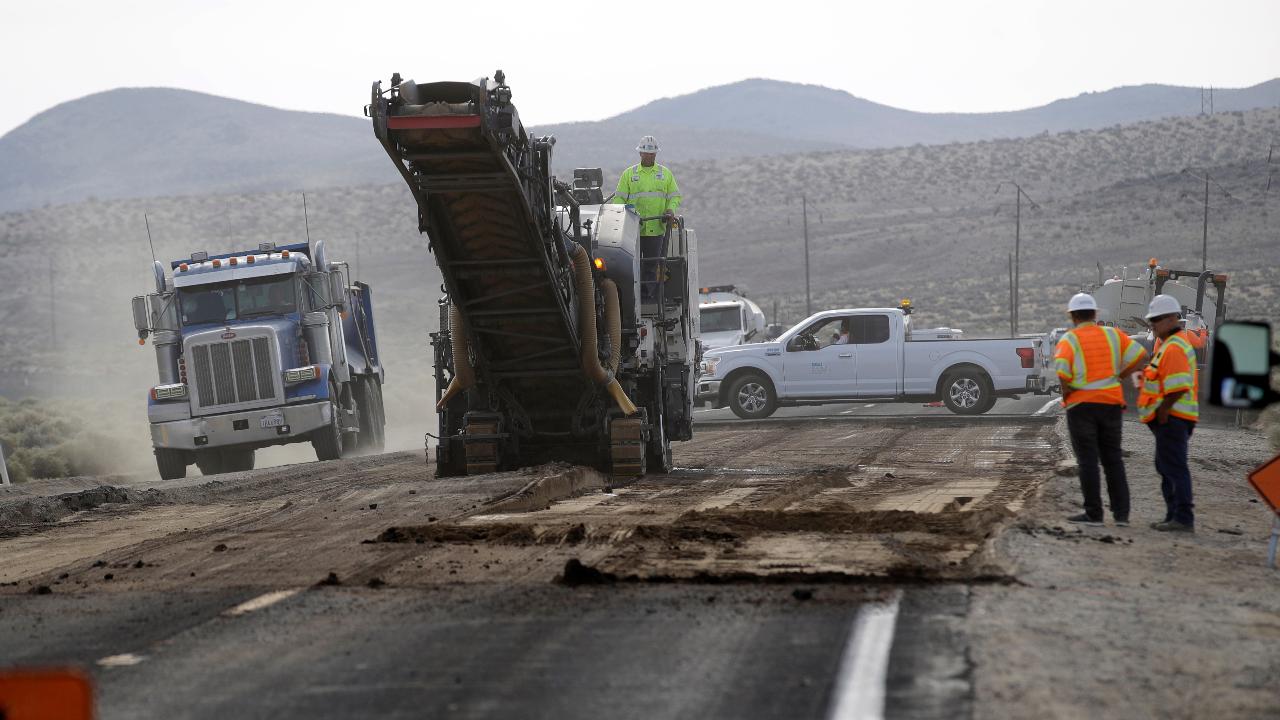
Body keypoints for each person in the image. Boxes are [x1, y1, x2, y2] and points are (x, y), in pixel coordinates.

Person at [1055, 293, 1149, 527]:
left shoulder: (1070, 340)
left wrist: (1068, 395)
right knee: (1113, 459)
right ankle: (1122, 515)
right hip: (1110, 405)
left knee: (1088, 461)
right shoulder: (1114, 335)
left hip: (1081, 407)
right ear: (1095, 314)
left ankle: (1094, 514)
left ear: (1073, 316)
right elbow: (1141, 356)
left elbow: (1063, 374)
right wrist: (1121, 376)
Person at [1137, 294, 1200, 532]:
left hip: (1173, 419)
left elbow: (1178, 387)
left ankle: (1183, 518)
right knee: (1166, 466)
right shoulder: (1168, 346)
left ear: (1173, 318)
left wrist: (1163, 412)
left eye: (1156, 319)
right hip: (1170, 419)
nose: (1153, 324)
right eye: (1152, 320)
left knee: (1174, 467)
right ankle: (1173, 515)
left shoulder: (1174, 348)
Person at [612, 136, 682, 298]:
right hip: (633, 229)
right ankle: (632, 296)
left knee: (651, 264)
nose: (649, 156)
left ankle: (648, 297)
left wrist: (670, 210)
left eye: (652, 153)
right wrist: (625, 212)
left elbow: (675, 196)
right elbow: (619, 199)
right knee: (632, 264)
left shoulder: (665, 174)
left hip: (656, 228)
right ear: (640, 153)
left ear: (656, 154)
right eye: (646, 153)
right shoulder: (629, 174)